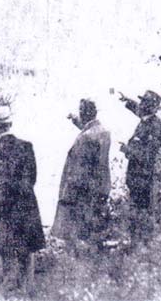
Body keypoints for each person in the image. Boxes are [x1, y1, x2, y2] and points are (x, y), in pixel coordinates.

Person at [0, 106, 45, 295]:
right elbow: (32, 178)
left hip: (2, 208)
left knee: (6, 248)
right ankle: (28, 288)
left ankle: (9, 289)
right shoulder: (27, 147)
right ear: (10, 123)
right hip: (26, 205)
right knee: (27, 248)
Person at [51, 98, 111, 254]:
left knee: (76, 228)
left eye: (81, 111)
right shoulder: (103, 132)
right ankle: (94, 254)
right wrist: (75, 120)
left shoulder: (85, 138)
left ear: (84, 113)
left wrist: (68, 192)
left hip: (82, 189)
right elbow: (88, 129)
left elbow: (79, 168)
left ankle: (78, 259)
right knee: (94, 226)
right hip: (100, 185)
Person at [119, 90, 161, 244]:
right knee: (136, 214)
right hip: (137, 179)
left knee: (141, 214)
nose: (141, 105)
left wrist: (128, 151)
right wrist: (127, 100)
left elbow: (147, 156)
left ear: (150, 107)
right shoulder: (147, 120)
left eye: (144, 102)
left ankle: (140, 247)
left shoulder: (154, 126)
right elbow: (137, 110)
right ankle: (137, 244)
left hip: (143, 180)